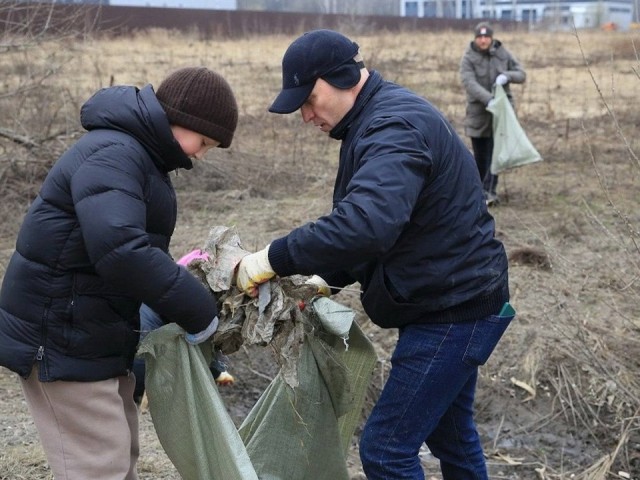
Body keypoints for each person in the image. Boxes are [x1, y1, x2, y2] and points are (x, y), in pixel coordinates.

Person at [234, 29, 515, 480]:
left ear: (340, 78)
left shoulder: (392, 128)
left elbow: (367, 223)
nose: (305, 115)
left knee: (386, 450)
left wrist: (272, 257)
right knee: (452, 436)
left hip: (452, 312)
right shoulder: (377, 119)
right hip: (455, 298)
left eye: (308, 99)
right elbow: (390, 230)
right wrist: (327, 277)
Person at [0, 66, 238, 480]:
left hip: (94, 331)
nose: (200, 154)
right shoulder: (115, 153)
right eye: (204, 142)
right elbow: (123, 251)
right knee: (98, 468)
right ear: (181, 119)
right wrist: (199, 311)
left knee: (118, 456)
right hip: (61, 336)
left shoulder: (136, 154)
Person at [460, 21, 526, 206]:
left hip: (501, 115)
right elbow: (469, 82)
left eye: (486, 37)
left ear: (491, 38)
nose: (483, 40)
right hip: (479, 114)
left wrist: (507, 75)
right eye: (479, 37)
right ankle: (478, 192)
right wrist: (489, 99)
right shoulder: (468, 57)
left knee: (496, 154)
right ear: (475, 39)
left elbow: (521, 74)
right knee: (481, 155)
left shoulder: (503, 53)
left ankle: (490, 192)